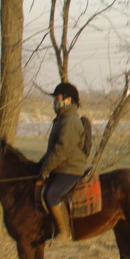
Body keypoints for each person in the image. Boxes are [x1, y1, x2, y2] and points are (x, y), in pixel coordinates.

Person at [39, 82, 89, 244]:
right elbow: (51, 150)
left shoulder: (70, 121)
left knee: (51, 194)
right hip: (62, 166)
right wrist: (40, 164)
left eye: (58, 98)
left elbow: (62, 150)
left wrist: (45, 169)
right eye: (55, 99)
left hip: (70, 168)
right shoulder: (62, 119)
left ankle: (63, 232)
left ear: (69, 100)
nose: (55, 102)